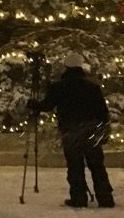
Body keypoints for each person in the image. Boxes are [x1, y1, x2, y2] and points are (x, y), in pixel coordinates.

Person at [30, 52, 114, 208]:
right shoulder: (92, 86)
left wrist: (35, 105)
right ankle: (105, 197)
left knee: (75, 165)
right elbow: (102, 110)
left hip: (71, 129)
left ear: (66, 67)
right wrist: (103, 129)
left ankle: (78, 197)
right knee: (97, 164)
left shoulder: (59, 87)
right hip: (92, 129)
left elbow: (47, 105)